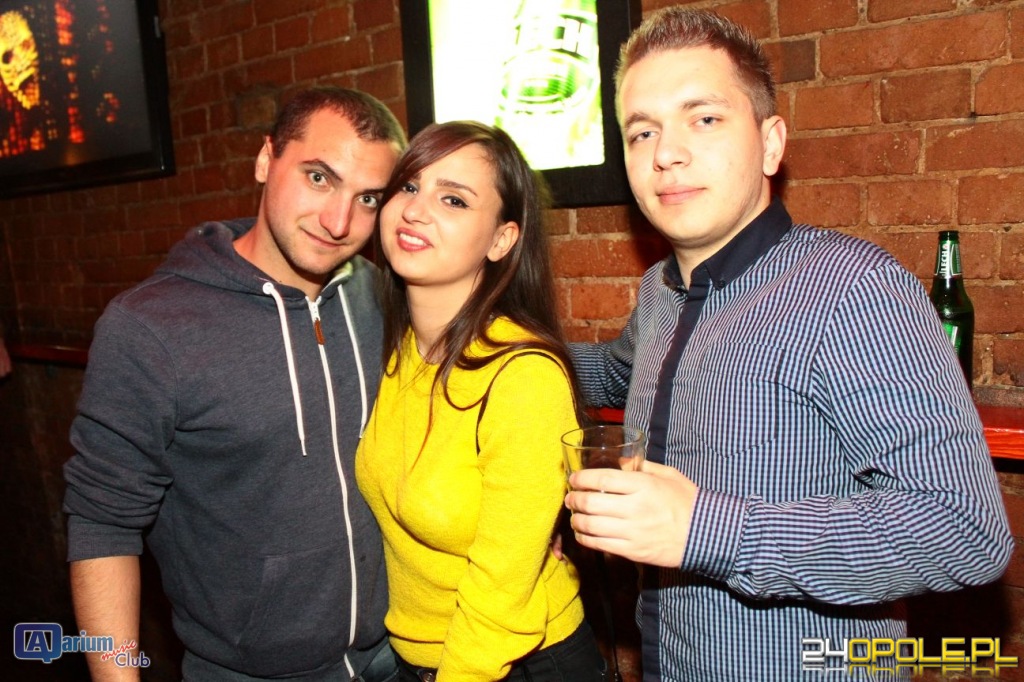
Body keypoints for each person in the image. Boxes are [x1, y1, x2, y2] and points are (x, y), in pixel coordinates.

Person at [564, 7, 1013, 680]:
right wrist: (492, 342)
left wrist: (705, 530)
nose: (666, 153)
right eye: (642, 131)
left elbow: (963, 530)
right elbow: (613, 373)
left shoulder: (851, 288)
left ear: (771, 144)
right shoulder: (660, 291)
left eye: (704, 118)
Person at [62, 87, 406, 681]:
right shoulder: (151, 326)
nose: (339, 222)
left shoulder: (382, 297)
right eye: (319, 178)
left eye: (368, 198)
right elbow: (103, 524)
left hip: (398, 655)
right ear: (266, 159)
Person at [355, 121, 606, 682]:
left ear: (501, 240)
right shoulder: (400, 352)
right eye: (409, 186)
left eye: (453, 199)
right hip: (419, 657)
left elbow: (501, 588)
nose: (415, 210)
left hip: (517, 663)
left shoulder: (522, 376)